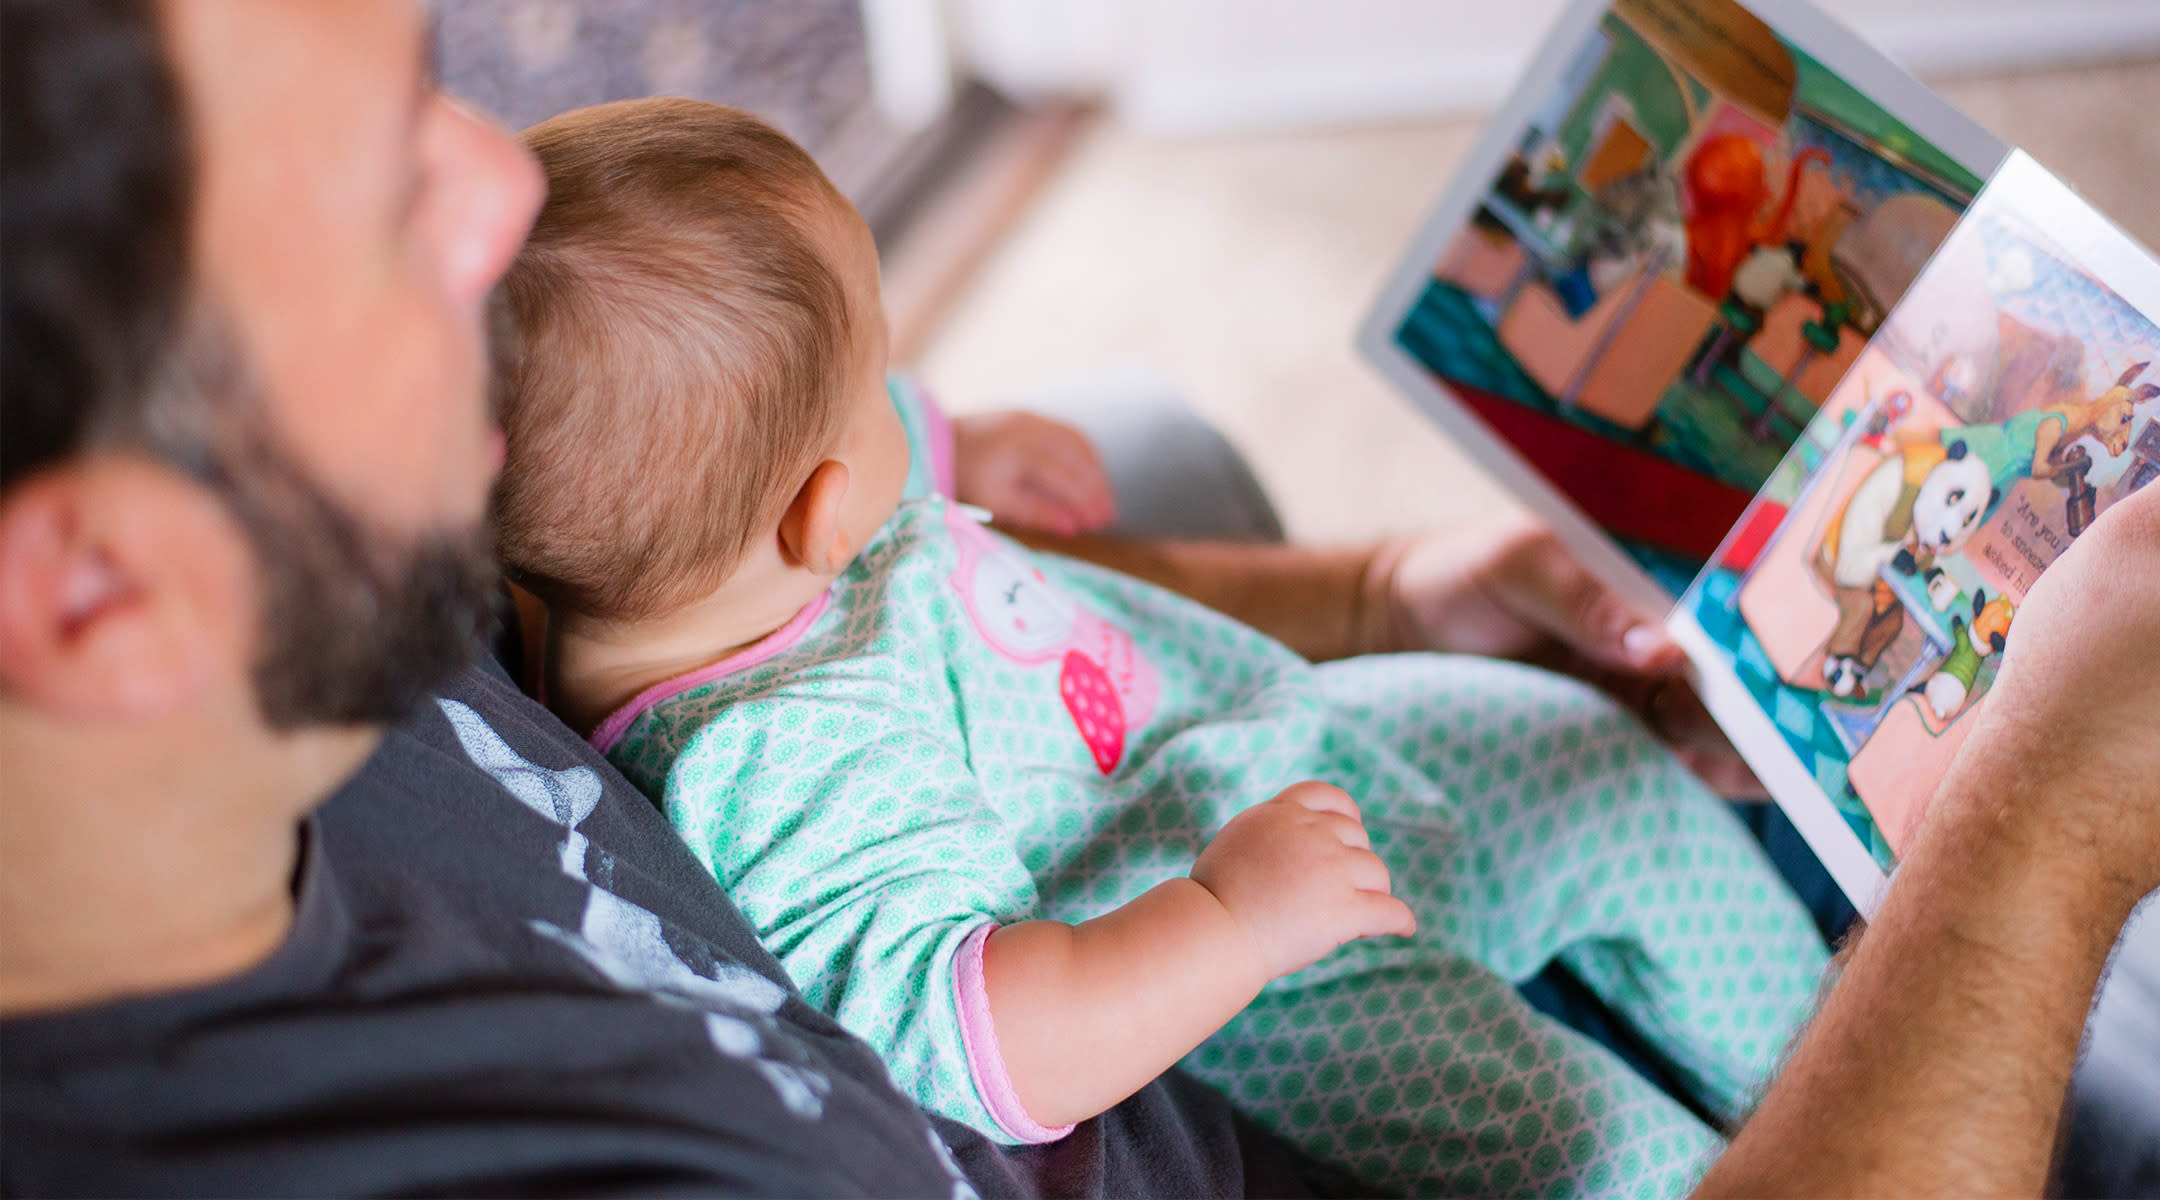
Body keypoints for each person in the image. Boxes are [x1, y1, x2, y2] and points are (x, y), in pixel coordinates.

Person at [2, 1, 2155, 1196]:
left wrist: (1376, 588)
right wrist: (2046, 825)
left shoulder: (382, 534)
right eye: (385, 194)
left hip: (1234, 788)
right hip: (1309, 1008)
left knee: (1674, 703)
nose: (499, 181)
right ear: (94, 589)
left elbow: (876, 586)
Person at [491, 97, 1827, 1195]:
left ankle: (1826, 1061)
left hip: (1273, 738)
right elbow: (988, 1040)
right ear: (822, 512)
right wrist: (1232, 921)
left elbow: (816, 435)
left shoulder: (708, 549)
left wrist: (957, 440)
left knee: (1589, 756)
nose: (903, 396)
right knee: (1592, 1157)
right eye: (880, 380)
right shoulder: (782, 765)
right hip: (1279, 979)